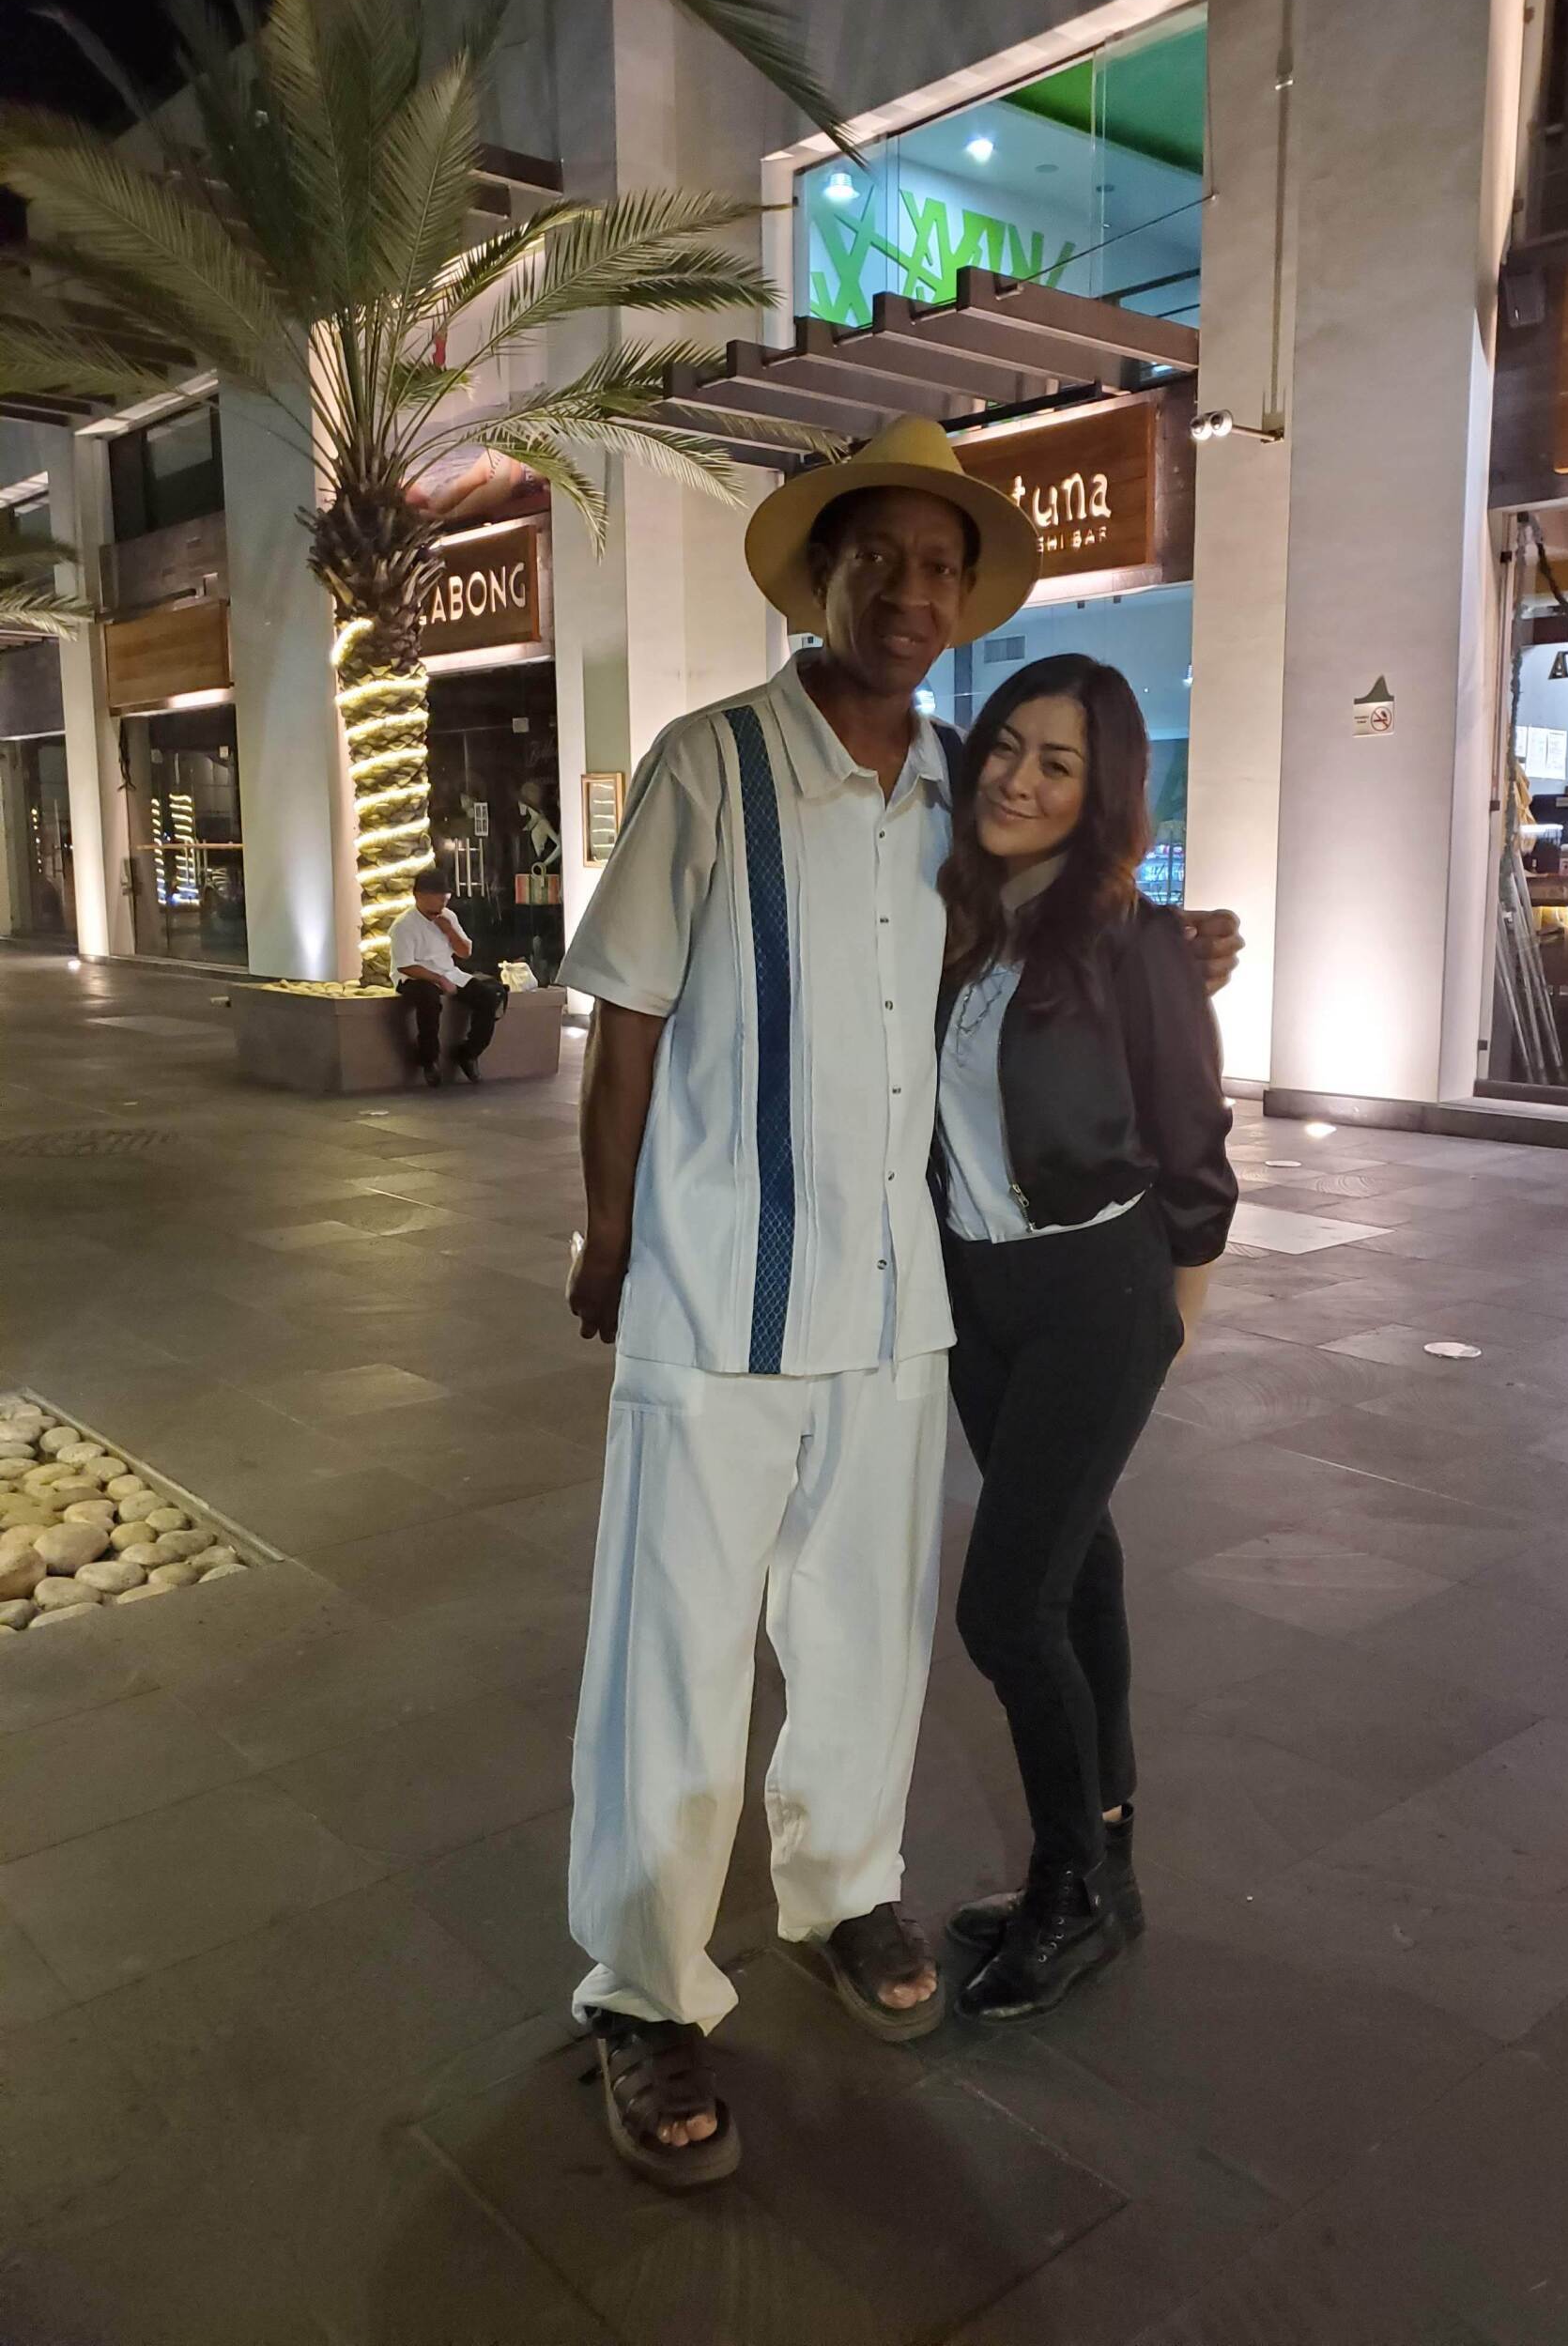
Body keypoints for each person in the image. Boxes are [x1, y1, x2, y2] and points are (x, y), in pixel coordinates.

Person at [558, 416, 1243, 2191]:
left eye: (944, 568)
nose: (914, 594)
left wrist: (1175, 941)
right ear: (825, 577)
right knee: (672, 1657)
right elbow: (626, 1018)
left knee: (867, 1636)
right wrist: (606, 1231)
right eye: (883, 561)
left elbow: (1064, 909)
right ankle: (642, 1990)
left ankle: (845, 1892)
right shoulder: (709, 764)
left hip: (895, 1304)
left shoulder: (956, 781)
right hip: (717, 1294)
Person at [931, 656, 1236, 2021]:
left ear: (1099, 789)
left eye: (1057, 763)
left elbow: (1196, 1145)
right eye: (1006, 745)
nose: (1017, 778)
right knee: (1078, 1570)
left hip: (1094, 1292)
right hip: (977, 1295)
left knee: (1005, 1608)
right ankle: (1106, 1861)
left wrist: (1172, 1318)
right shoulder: (955, 921)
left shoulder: (1134, 941)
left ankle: (1069, 1889)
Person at [388, 869, 505, 1084]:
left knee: (488, 997)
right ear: (419, 896)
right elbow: (405, 966)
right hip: (415, 976)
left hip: (448, 971)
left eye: (445, 897)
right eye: (438, 897)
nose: (442, 902)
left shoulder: (448, 916)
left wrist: (449, 931)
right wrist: (438, 979)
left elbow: (465, 952)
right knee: (429, 1000)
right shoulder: (404, 925)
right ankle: (429, 1060)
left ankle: (469, 1053)